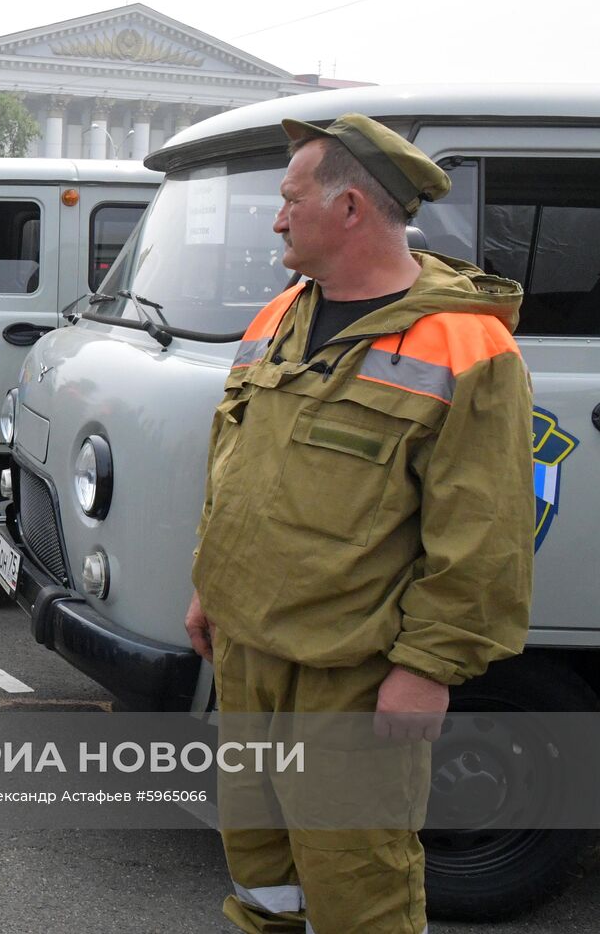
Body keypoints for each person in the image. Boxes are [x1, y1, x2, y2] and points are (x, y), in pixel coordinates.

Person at [184, 114, 534, 933]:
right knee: (262, 876)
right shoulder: (278, 318)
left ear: (349, 210)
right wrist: (209, 588)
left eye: (289, 199)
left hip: (352, 675)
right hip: (247, 652)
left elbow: (484, 534)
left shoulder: (469, 346)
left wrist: (430, 669)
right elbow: (234, 471)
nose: (276, 218)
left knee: (358, 891)